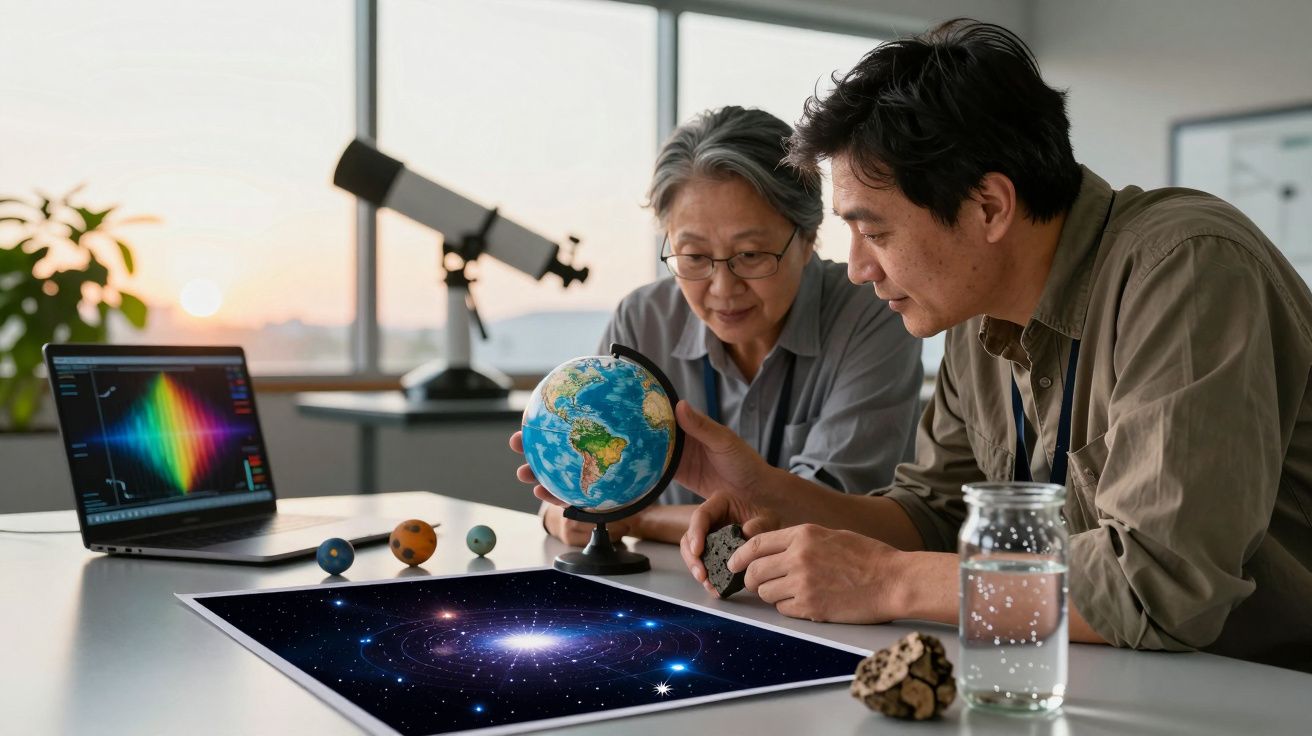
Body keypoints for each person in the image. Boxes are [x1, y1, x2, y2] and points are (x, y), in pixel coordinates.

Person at [651, 20, 1312, 671]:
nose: (857, 268)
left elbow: (1160, 584)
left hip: (1267, 690)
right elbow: (934, 517)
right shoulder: (975, 312)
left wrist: (891, 582)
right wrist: (769, 491)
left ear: (989, 207)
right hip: (1111, 677)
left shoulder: (1186, 269)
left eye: (874, 232)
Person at [528, 106, 924, 547]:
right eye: (694, 257)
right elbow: (579, 495)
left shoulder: (871, 311)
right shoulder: (643, 320)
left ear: (808, 238)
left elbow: (825, 518)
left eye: (751, 255)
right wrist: (560, 511)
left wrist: (641, 520)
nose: (722, 288)